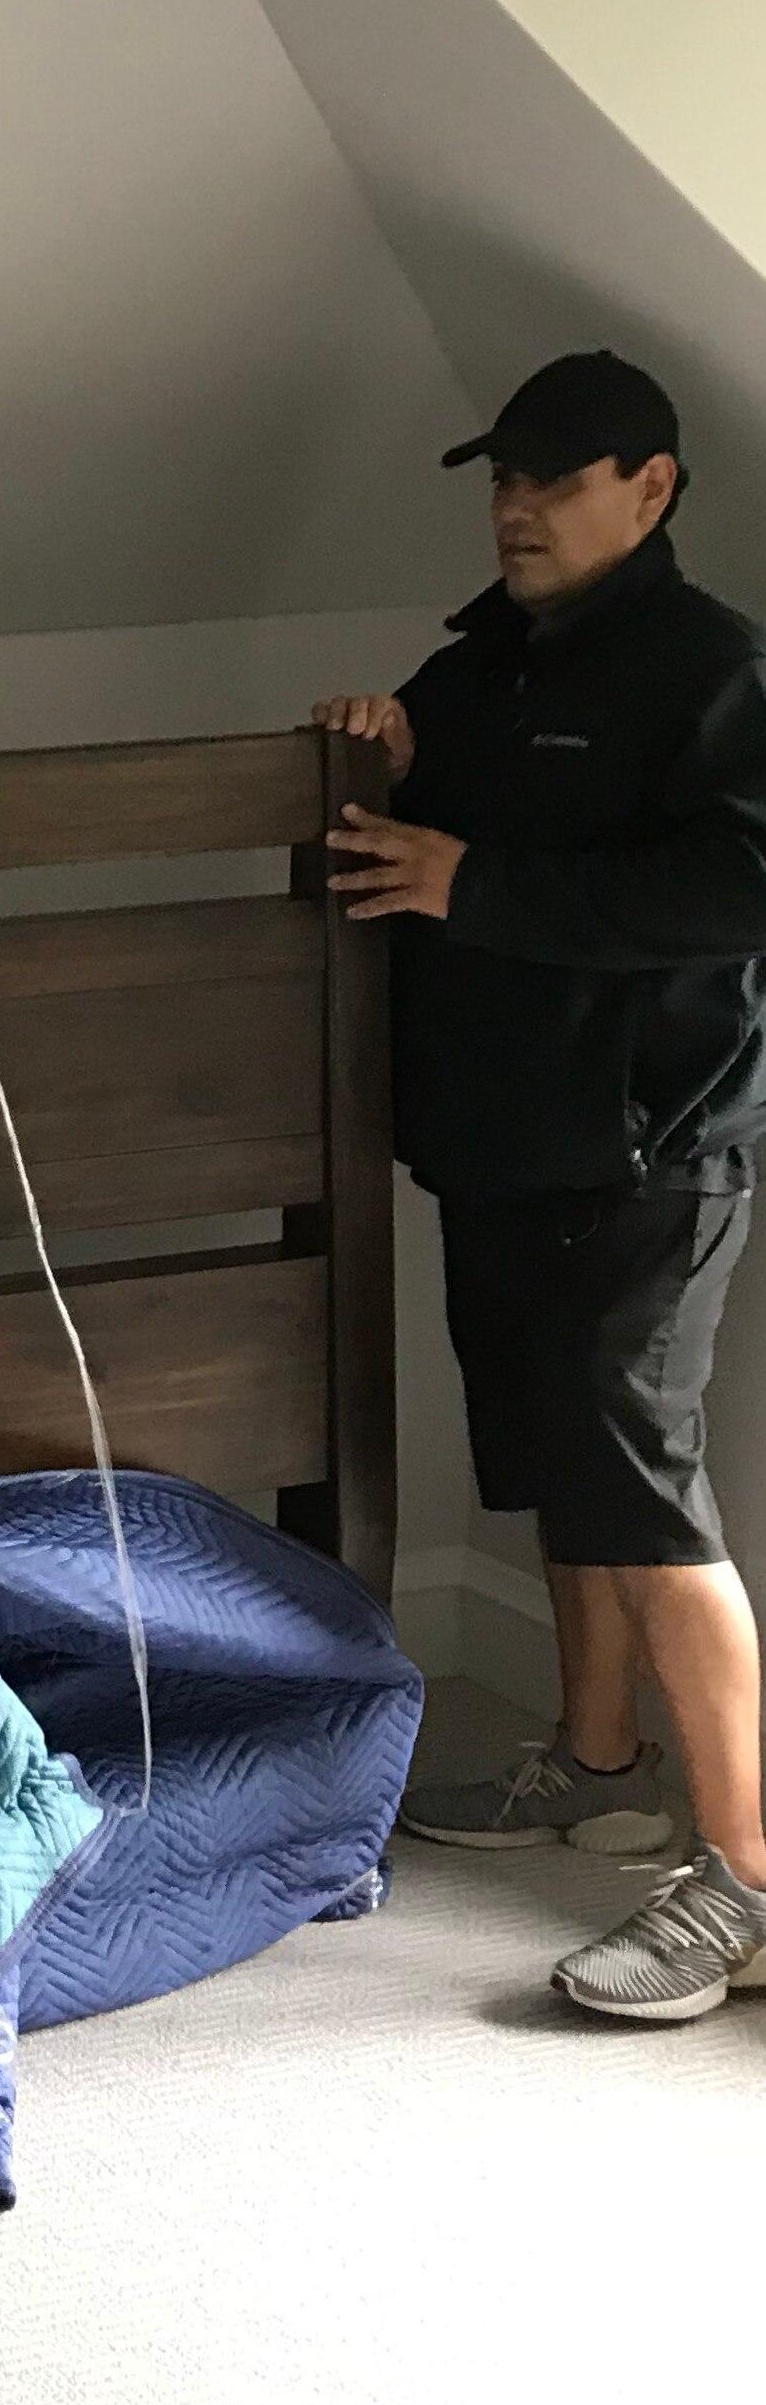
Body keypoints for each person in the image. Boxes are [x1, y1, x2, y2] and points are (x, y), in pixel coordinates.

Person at [315, 348, 766, 2021]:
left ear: (648, 490)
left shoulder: (714, 670)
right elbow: (426, 817)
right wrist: (382, 746)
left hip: (650, 1149)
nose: (515, 508)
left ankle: (747, 1881)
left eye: (552, 480)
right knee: (560, 1470)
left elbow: (739, 885)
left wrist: (472, 883)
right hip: (500, 1140)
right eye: (502, 478)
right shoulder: (483, 662)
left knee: (641, 1499)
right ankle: (594, 1764)